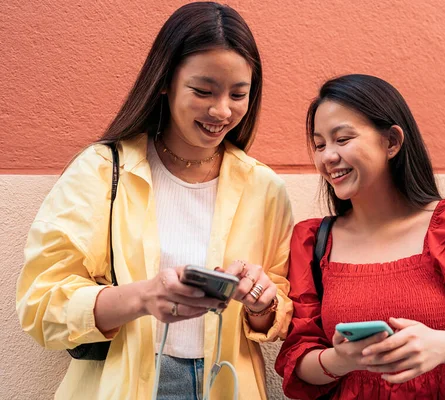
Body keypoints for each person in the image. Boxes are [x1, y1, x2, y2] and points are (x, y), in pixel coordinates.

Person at [16, 3, 293, 399]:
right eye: (203, 91)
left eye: (239, 94)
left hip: (227, 383)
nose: (222, 110)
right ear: (165, 81)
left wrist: (262, 303)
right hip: (123, 383)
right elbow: (40, 303)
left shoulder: (265, 187)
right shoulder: (99, 169)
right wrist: (145, 297)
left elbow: (280, 308)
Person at [276, 74, 445, 399]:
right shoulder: (313, 240)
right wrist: (340, 359)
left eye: (342, 139)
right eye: (320, 144)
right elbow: (299, 362)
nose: (327, 157)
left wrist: (443, 346)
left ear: (392, 142)